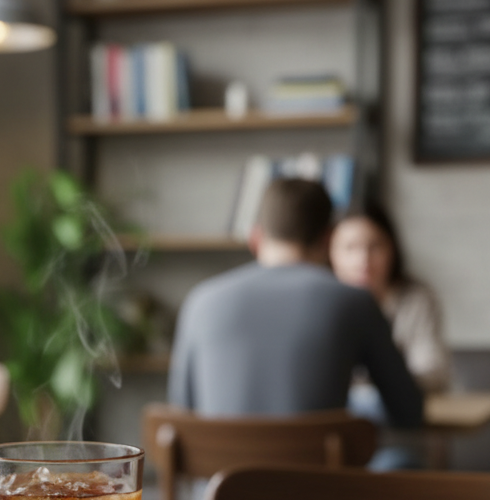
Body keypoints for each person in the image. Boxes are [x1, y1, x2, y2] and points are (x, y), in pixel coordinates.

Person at [169, 178, 424, 426]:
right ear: (328, 240)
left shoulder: (200, 301)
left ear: (255, 237)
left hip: (217, 468)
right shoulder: (354, 302)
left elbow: (181, 413)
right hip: (314, 469)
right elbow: (409, 412)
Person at [330, 200, 451, 394]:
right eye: (350, 248)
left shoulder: (416, 300)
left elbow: (433, 372)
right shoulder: (321, 303)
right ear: (330, 253)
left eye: (375, 246)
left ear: (392, 248)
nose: (363, 260)